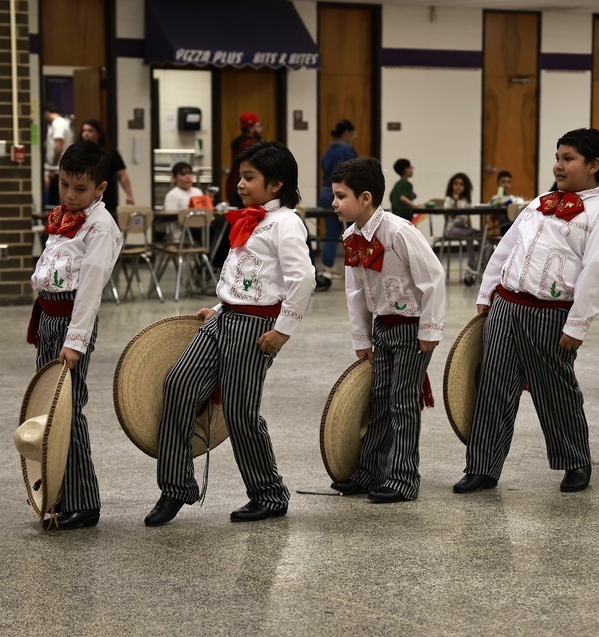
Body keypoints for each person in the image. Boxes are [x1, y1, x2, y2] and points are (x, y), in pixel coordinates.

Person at [145, 141, 316, 526]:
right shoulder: (249, 218)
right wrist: (221, 306)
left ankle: (269, 494)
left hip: (257, 329)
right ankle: (175, 487)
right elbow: (248, 276)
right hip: (225, 318)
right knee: (178, 385)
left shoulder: (286, 222)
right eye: (241, 176)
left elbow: (303, 279)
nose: (240, 183)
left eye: (249, 177)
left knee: (240, 413)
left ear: (276, 184)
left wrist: (282, 331)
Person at [453, 128, 599, 494]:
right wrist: (487, 295)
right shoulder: (539, 203)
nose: (559, 166)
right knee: (494, 384)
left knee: (555, 389)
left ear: (594, 165)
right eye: (557, 157)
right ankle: (483, 466)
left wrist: (577, 325)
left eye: (569, 159)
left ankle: (576, 461)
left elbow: (597, 274)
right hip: (506, 305)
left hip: (551, 314)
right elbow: (505, 248)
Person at [328, 157, 446, 503]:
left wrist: (430, 329)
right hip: (382, 328)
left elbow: (433, 278)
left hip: (412, 329)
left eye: (340, 196)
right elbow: (355, 290)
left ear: (365, 198)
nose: (334, 203)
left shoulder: (399, 231)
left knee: (402, 402)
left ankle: (403, 478)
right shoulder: (352, 236)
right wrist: (362, 337)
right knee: (379, 399)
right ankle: (369, 472)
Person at [27, 140, 124, 529]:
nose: (69, 194)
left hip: (71, 322)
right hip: (50, 317)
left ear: (100, 188)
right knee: (49, 408)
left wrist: (75, 341)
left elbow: (90, 290)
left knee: (69, 409)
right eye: (64, 184)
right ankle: (59, 493)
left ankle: (85, 502)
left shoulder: (101, 227)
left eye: (80, 188)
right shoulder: (63, 215)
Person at [317, 119, 358, 275]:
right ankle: (355, 264)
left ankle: (327, 266)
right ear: (347, 132)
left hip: (327, 192)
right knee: (353, 230)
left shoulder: (329, 149)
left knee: (331, 232)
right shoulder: (347, 150)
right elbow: (354, 171)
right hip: (344, 193)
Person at [79, 119, 134, 212]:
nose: (86, 134)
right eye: (84, 131)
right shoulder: (78, 152)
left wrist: (129, 194)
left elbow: (122, 175)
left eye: (90, 131)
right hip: (84, 196)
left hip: (107, 196)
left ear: (98, 134)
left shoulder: (110, 152)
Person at [441, 172, 483, 267]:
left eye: (461, 184)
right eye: (456, 184)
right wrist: (455, 202)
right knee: (470, 234)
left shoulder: (465, 201)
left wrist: (470, 226)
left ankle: (481, 260)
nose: (458, 187)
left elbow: (468, 219)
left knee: (480, 235)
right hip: (451, 229)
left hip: (463, 228)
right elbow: (452, 216)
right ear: (452, 185)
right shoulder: (449, 200)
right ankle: (472, 261)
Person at [226, 112, 262, 208]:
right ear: (251, 128)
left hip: (233, 185)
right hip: (244, 187)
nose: (260, 129)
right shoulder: (251, 144)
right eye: (258, 126)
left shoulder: (238, 143)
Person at [43, 104, 74, 207]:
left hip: (58, 166)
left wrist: (53, 165)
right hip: (59, 165)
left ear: (47, 113)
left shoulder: (58, 124)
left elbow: (58, 146)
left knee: (61, 198)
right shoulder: (62, 123)